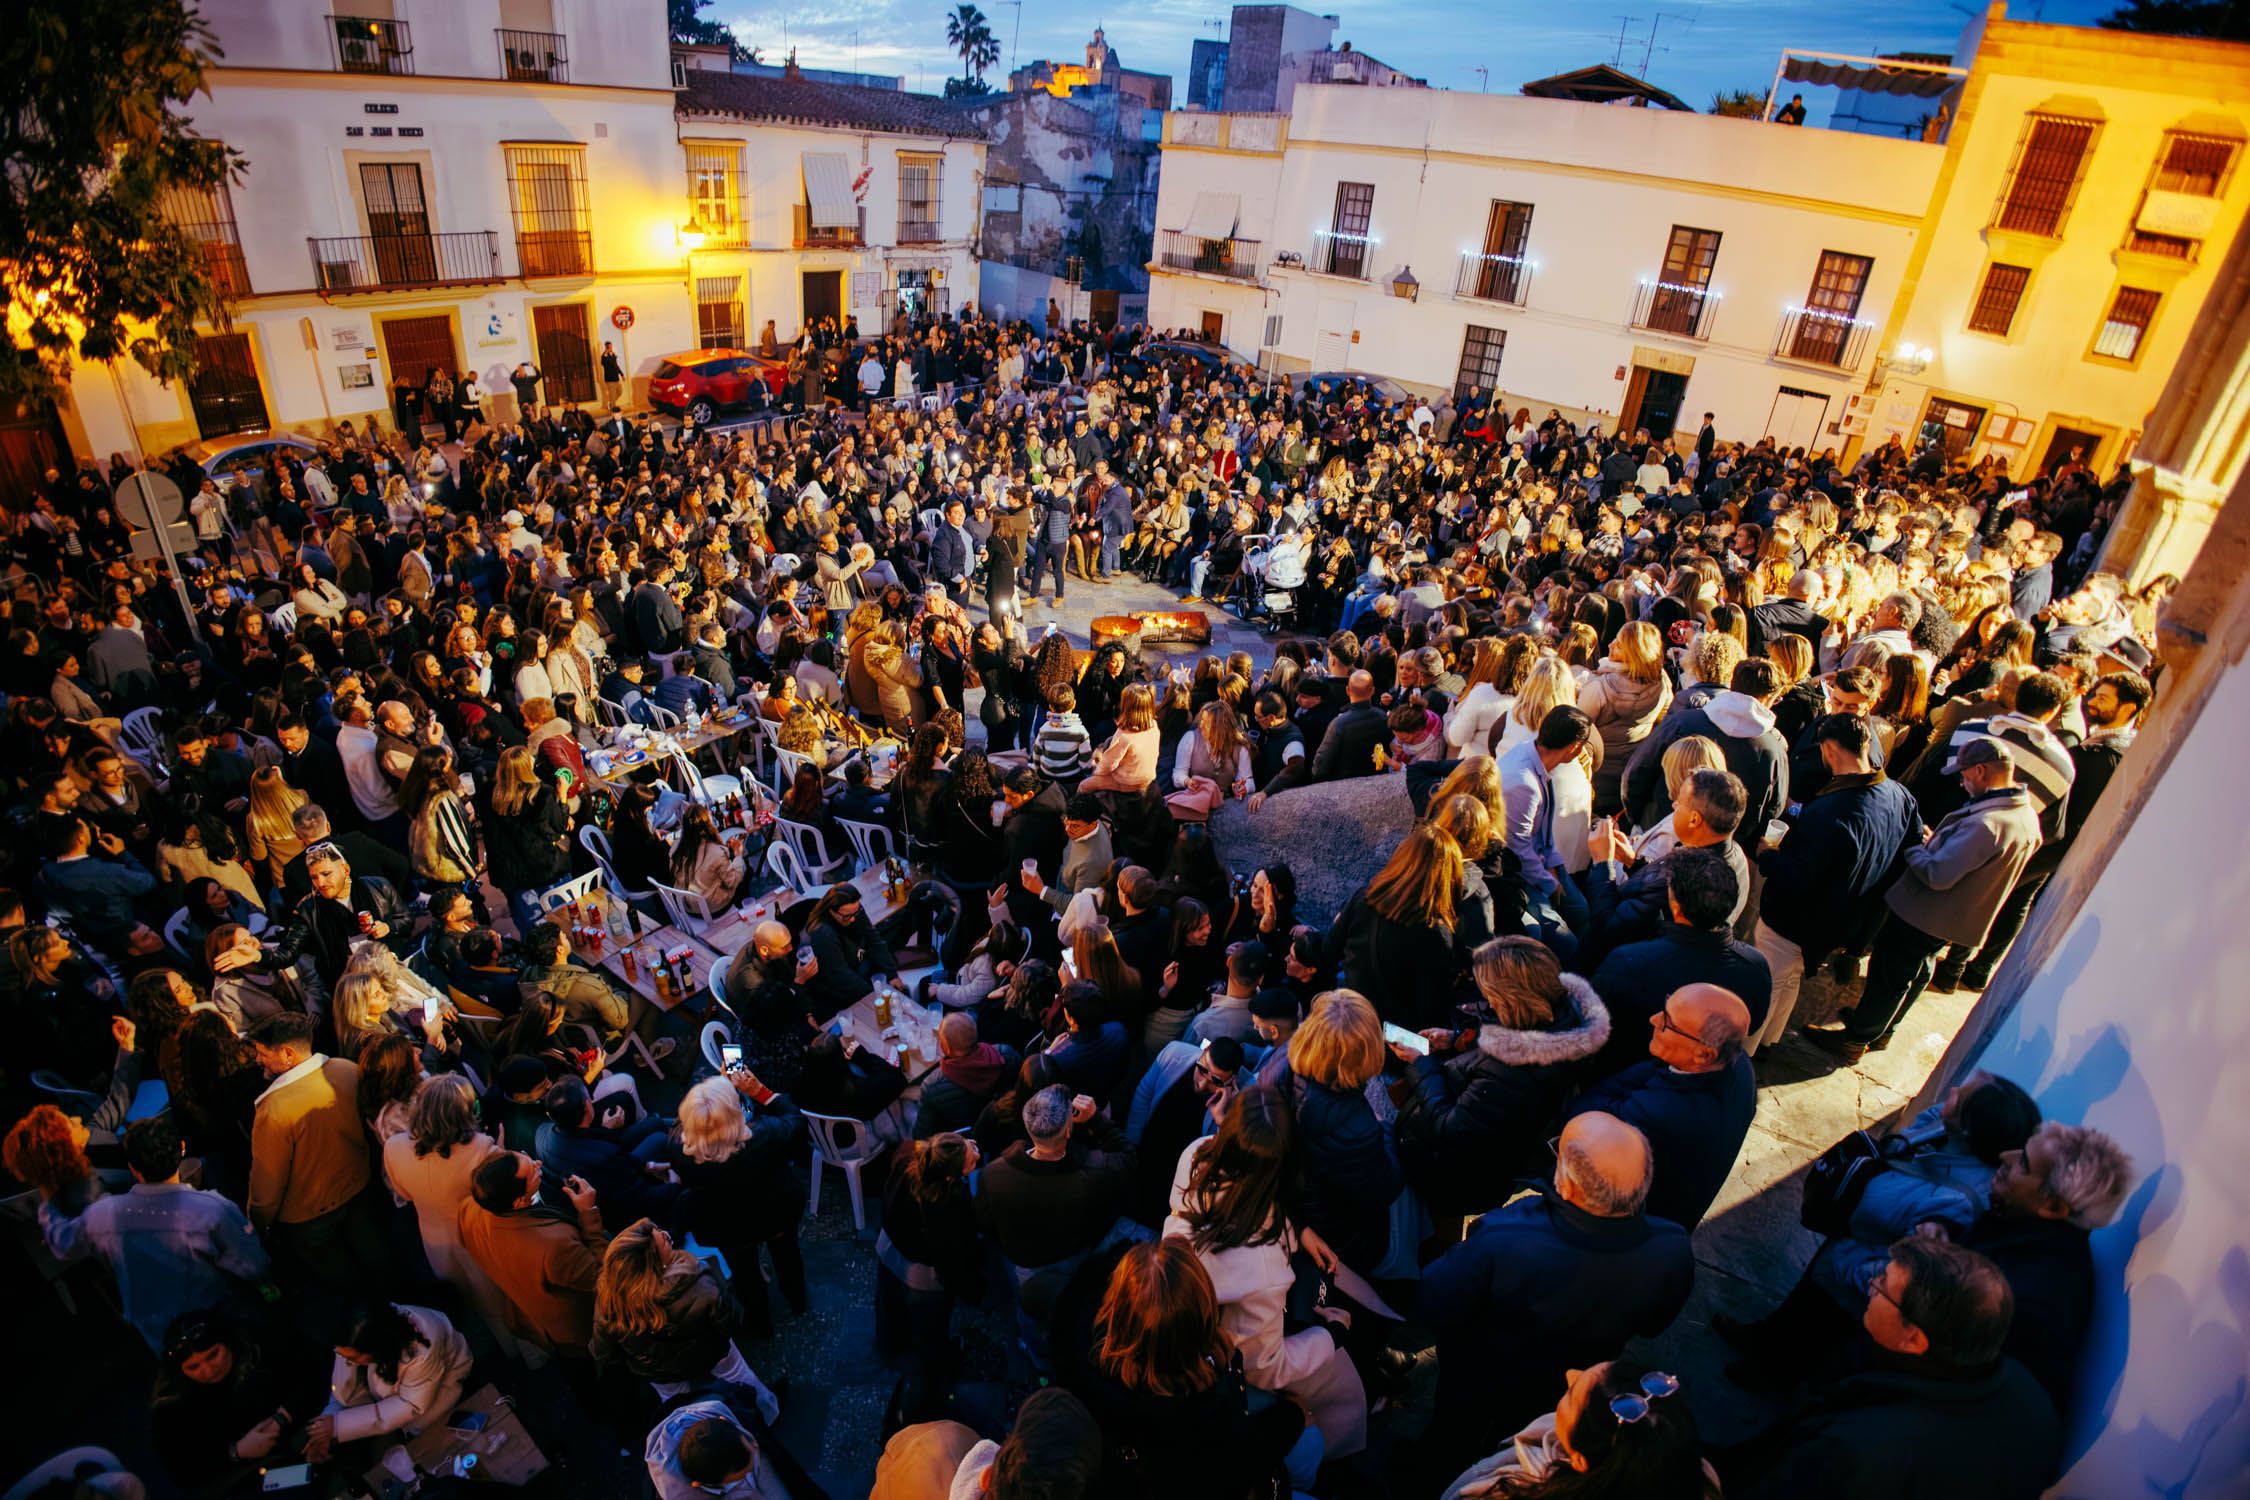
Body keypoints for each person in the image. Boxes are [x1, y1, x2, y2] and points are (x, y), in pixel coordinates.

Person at [1417, 1111, 1695, 1490]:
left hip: (1480, 1375)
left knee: (1451, 1440)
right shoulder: (1673, 1247)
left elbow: (1433, 1302)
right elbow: (1654, 1324)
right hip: (1570, 1391)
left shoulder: (1503, 1238)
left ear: (1568, 1187)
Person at [1720, 1238, 2063, 1500]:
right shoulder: (2023, 1388)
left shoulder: (1860, 1448)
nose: (1871, 1285)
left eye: (1883, 1284)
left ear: (1914, 1339)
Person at [1163, 1081, 1370, 1456]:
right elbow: (1266, 1367)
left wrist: (1296, 1231)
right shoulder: (1262, 1274)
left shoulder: (1195, 1155)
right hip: (1219, 1374)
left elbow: (1234, 1205)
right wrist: (1333, 1335)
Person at [1811, 737, 2039, 1060]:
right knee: (1918, 972)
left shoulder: (1988, 825)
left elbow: (1937, 874)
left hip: (1925, 914)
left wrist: (1914, 844)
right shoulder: (2026, 816)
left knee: (1890, 975)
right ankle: (1881, 1029)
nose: (1962, 781)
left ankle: (1856, 1040)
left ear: (1982, 770)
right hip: (1954, 920)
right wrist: (1941, 843)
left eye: (1965, 774)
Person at [1061, 1239, 1316, 1499]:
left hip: (1128, 1465)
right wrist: (1294, 1416)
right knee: (1311, 1444)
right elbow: (1235, 1465)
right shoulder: (1201, 1408)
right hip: (1197, 1476)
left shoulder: (1079, 1340)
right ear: (1198, 1316)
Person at [1396, 936, 1613, 1220]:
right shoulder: (1564, 1018)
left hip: (1455, 1178)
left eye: (1490, 996)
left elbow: (1452, 1129)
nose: (1484, 1000)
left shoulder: (1509, 1072)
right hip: (1494, 1163)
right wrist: (1458, 1040)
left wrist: (1422, 1064)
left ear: (1510, 1001)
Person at [1750, 713, 1925, 1048]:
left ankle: (1745, 1051)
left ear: (1829, 750)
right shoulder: (1901, 796)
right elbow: (1911, 847)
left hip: (1794, 920)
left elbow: (1798, 876)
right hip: (1842, 921)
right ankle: (1769, 1042)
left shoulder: (1830, 814)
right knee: (1788, 980)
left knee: (1767, 982)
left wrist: (1769, 855)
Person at [36, 1114, 271, 1352]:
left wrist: (48, 1197)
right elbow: (255, 1267)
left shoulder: (103, 1215)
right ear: (182, 1149)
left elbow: (61, 1242)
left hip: (162, 1338)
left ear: (133, 1168)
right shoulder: (213, 1209)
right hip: (222, 1327)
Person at [1570, 983, 1755, 1229]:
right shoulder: (1740, 1066)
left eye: (1668, 1022)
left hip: (1630, 1227)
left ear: (1703, 1055)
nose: (1654, 1019)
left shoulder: (1656, 1115)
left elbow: (1580, 1116)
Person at [1585, 848, 1771, 1079]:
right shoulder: (1756, 968)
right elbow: (1749, 1027)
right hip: (1704, 1082)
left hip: (1622, 1080)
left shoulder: (1628, 962)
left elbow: (1590, 1026)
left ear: (1675, 905)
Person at [243, 1011, 385, 1292]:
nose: (258, 1060)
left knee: (342, 1285)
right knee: (377, 1258)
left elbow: (268, 1182)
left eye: (261, 1053)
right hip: (360, 1186)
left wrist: (258, 1221)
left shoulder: (274, 1110)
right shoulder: (345, 1069)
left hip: (311, 1218)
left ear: (287, 1054)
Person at [1441, 1360, 1718, 1500]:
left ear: (1579, 1461)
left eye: (1572, 1393)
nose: (1570, 1373)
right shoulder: (1692, 1475)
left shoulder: (1499, 1494)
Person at [666, 1073, 808, 1342]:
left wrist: (704, 1104)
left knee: (745, 1277)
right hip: (774, 1213)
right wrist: (759, 1091)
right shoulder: (765, 1136)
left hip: (726, 1225)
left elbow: (678, 1124)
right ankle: (797, 1301)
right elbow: (797, 1121)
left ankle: (761, 1325)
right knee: (787, 1256)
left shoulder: (677, 1149)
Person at [592, 1218, 779, 1407]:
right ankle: (766, 1410)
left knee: (677, 1404)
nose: (667, 1234)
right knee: (738, 1376)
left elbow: (603, 1352)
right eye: (663, 1240)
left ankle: (691, 1429)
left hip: (659, 1372)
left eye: (658, 1230)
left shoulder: (608, 1298)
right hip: (710, 1353)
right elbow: (730, 1322)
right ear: (655, 1265)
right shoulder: (699, 1285)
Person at [1281, 989, 1404, 1275]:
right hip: (1337, 1235)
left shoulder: (1281, 1066)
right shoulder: (1354, 1128)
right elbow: (1386, 1186)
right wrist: (1385, 1128)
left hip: (1301, 1212)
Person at [456, 1148, 610, 1359]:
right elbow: (603, 1277)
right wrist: (588, 1213)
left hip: (534, 1316)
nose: (538, 1163)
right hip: (574, 1329)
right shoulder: (554, 1247)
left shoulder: (468, 1208)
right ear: (518, 1202)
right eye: (532, 1171)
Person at [975, 1083, 1136, 1280]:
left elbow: (986, 1222)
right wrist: (1096, 1120)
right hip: (1072, 1254)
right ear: (1068, 1130)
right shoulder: (1093, 1175)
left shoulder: (993, 1174)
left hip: (1024, 1260)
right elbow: (1128, 1158)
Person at [304, 1302, 474, 1456]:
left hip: (438, 1387)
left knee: (434, 1446)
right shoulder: (354, 1332)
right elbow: (344, 1387)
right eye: (344, 1356)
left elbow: (410, 1405)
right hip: (393, 1393)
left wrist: (338, 1426)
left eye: (354, 1359)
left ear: (377, 1350)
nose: (349, 1362)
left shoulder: (422, 1352)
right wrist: (327, 1424)